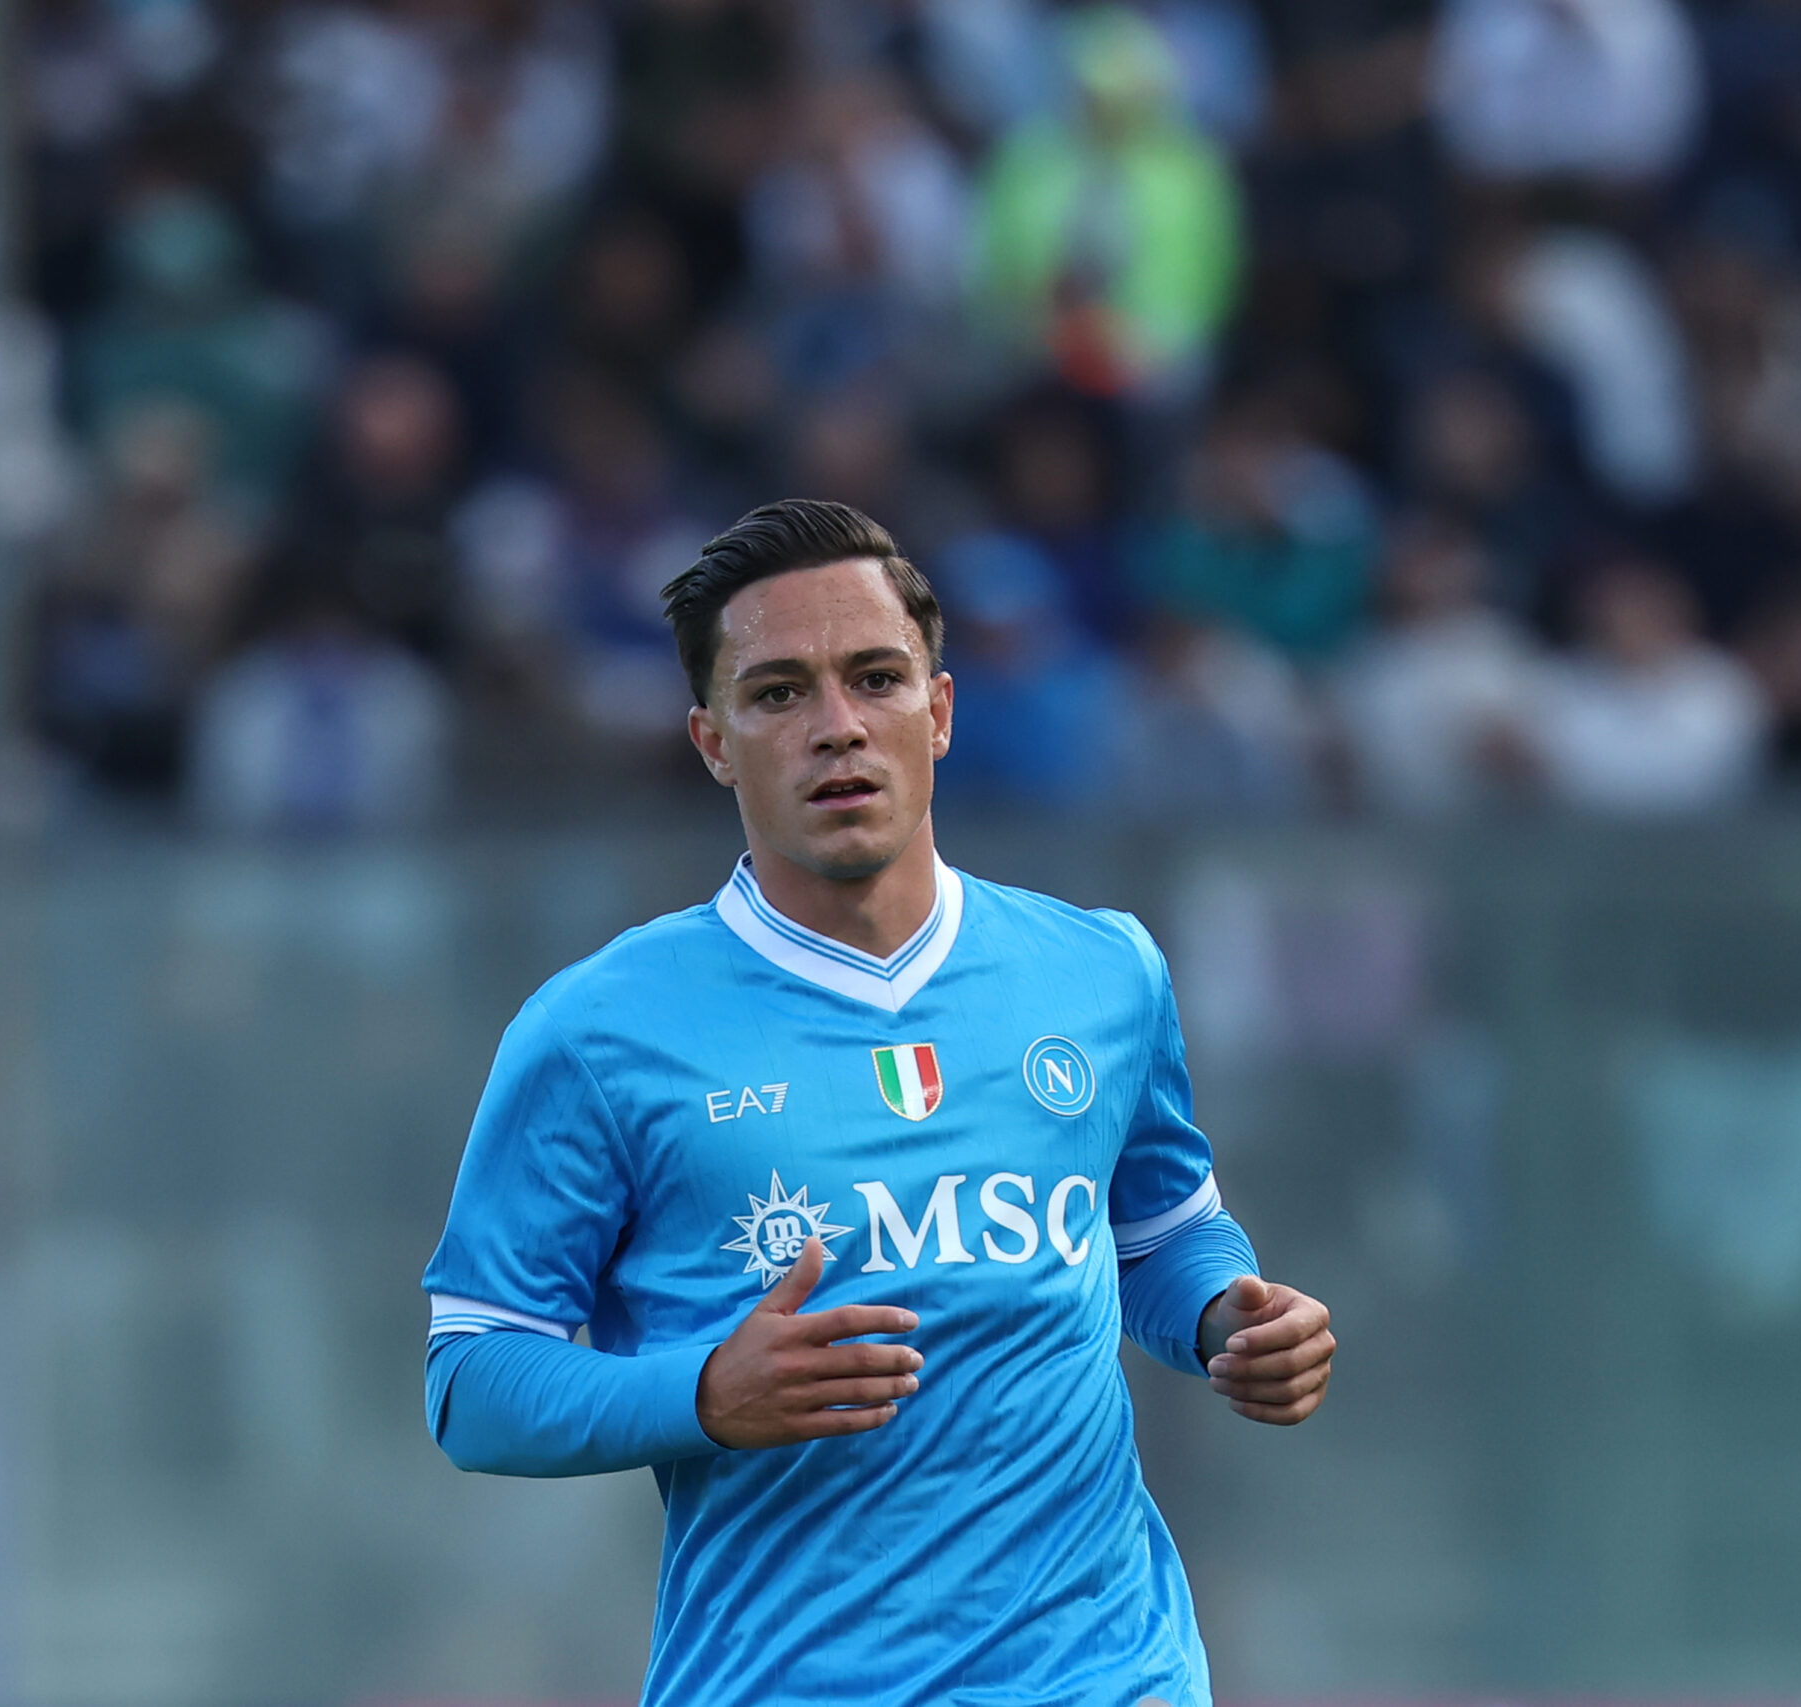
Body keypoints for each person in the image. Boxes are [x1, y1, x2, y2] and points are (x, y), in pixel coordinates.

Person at [421, 499, 1335, 1706]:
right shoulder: (597, 1032)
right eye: (780, 693)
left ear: (939, 712)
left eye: (875, 678)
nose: (838, 727)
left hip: (1110, 1677)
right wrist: (699, 1395)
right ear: (712, 740)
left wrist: (1229, 1317)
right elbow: (473, 1378)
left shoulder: (1103, 971)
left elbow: (1158, 1233)